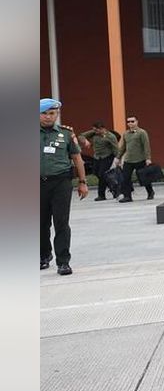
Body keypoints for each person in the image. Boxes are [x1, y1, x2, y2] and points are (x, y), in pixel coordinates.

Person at [40, 99, 88, 275]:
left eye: (52, 113)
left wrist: (82, 182)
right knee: (40, 223)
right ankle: (44, 256)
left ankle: (63, 262)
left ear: (57, 114)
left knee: (61, 222)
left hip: (60, 183)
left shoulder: (66, 134)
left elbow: (77, 159)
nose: (48, 117)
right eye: (44, 113)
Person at [116, 115, 153, 202]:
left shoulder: (142, 132)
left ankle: (150, 192)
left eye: (132, 121)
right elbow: (123, 147)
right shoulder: (125, 134)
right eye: (128, 122)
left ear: (137, 122)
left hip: (140, 159)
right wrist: (118, 157)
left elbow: (146, 146)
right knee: (126, 178)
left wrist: (148, 158)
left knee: (144, 178)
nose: (130, 123)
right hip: (128, 160)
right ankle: (127, 196)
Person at [80, 121, 118, 200]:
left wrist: (117, 159)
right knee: (96, 173)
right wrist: (85, 141)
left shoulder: (110, 136)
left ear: (102, 129)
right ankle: (114, 189)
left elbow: (116, 148)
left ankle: (101, 195)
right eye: (94, 130)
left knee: (102, 175)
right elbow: (81, 136)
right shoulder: (94, 133)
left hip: (107, 157)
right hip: (97, 157)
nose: (95, 131)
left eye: (96, 130)